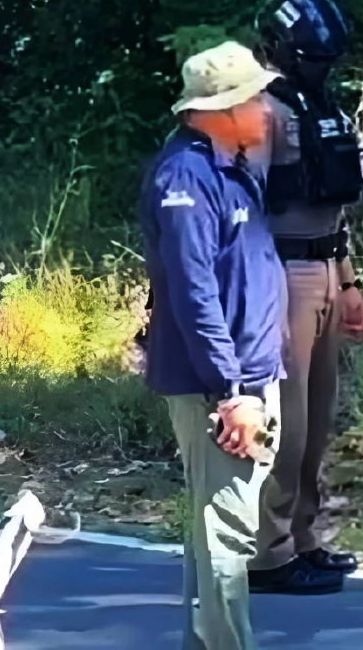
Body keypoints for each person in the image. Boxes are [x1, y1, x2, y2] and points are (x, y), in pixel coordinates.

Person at [139, 42, 287, 650]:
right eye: (255, 97)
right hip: (223, 388)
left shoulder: (232, 166)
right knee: (224, 532)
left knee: (224, 526)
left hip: (250, 377)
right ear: (221, 109)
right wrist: (229, 393)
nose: (267, 108)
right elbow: (194, 293)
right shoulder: (186, 179)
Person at [246, 0, 363, 595]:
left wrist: (348, 281)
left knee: (318, 419)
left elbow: (332, 207)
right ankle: (268, 550)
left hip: (323, 266)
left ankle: (303, 536)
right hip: (283, 273)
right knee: (286, 422)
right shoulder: (261, 112)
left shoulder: (323, 107)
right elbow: (242, 205)